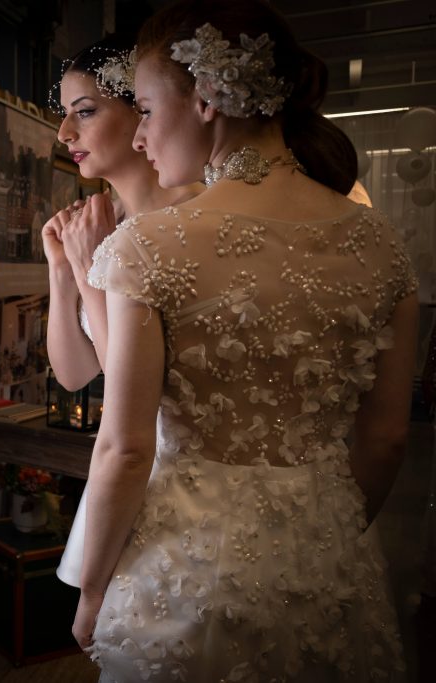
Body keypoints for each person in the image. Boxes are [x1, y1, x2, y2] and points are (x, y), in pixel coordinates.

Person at [59, 1, 419, 680]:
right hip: (328, 561)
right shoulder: (382, 245)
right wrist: (323, 526)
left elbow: (127, 445)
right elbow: (386, 437)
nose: (139, 137)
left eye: (145, 107)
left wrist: (91, 586)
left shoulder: (150, 245)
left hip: (186, 572)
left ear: (206, 98)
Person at [42, 35, 202, 392]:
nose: (64, 133)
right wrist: (62, 271)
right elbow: (74, 375)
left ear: (141, 109)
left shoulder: (194, 217)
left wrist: (87, 271)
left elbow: (140, 390)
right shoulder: (100, 226)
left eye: (84, 112)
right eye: (65, 115)